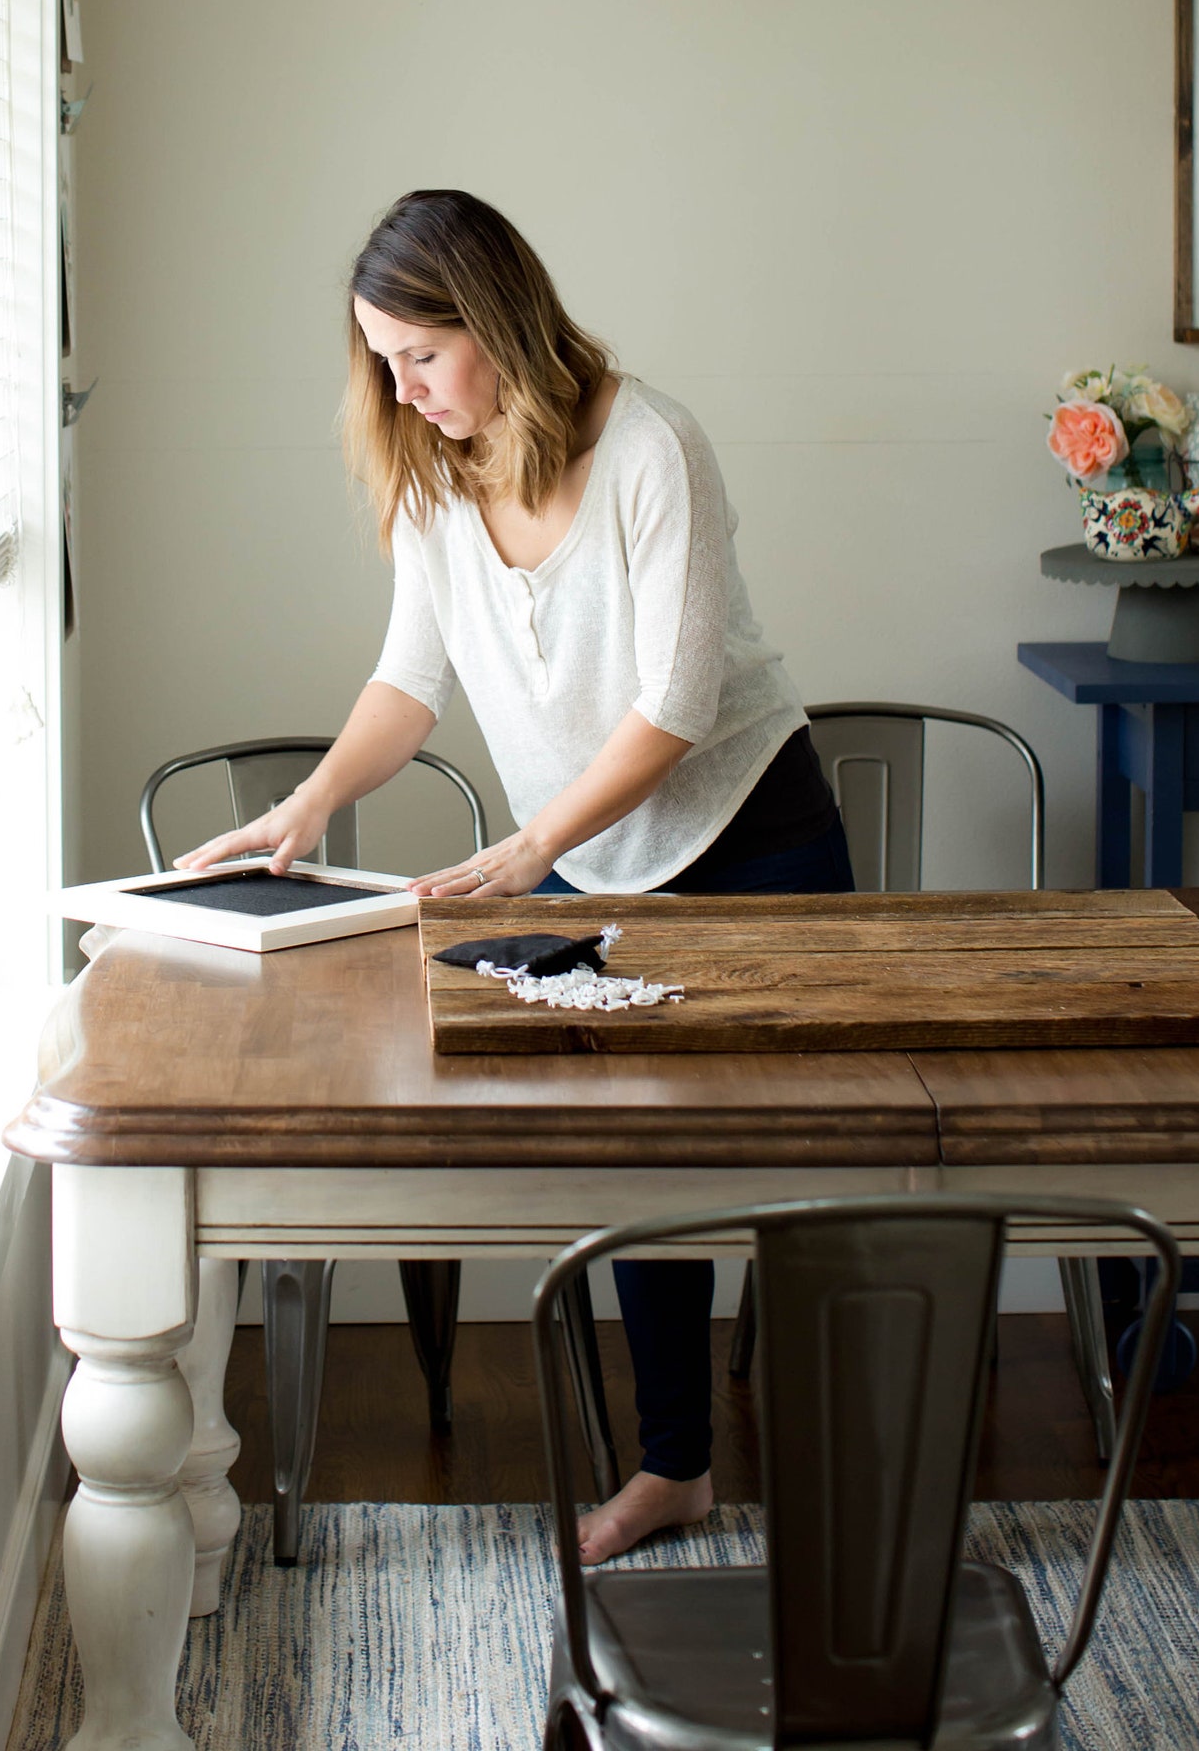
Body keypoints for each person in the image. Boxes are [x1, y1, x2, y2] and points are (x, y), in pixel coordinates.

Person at [178, 187, 853, 1558]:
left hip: (754, 839)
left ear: (492, 320)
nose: (400, 386)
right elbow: (406, 686)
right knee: (631, 1164)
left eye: (419, 354)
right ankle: (677, 1470)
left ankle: (866, 1499)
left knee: (822, 1169)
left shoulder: (656, 447)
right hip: (582, 856)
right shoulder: (436, 473)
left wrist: (536, 850)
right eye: (379, 358)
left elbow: (670, 706)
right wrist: (309, 802)